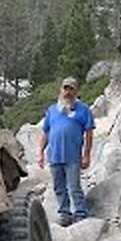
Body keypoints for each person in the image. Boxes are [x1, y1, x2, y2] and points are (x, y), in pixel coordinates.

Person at [37, 76, 95, 226]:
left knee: (74, 186)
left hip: (73, 156)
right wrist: (40, 153)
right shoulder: (52, 110)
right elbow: (45, 133)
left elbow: (89, 134)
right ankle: (64, 214)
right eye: (65, 88)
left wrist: (86, 155)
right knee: (58, 187)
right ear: (61, 90)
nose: (67, 92)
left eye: (71, 89)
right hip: (54, 156)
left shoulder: (83, 110)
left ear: (76, 91)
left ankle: (81, 213)